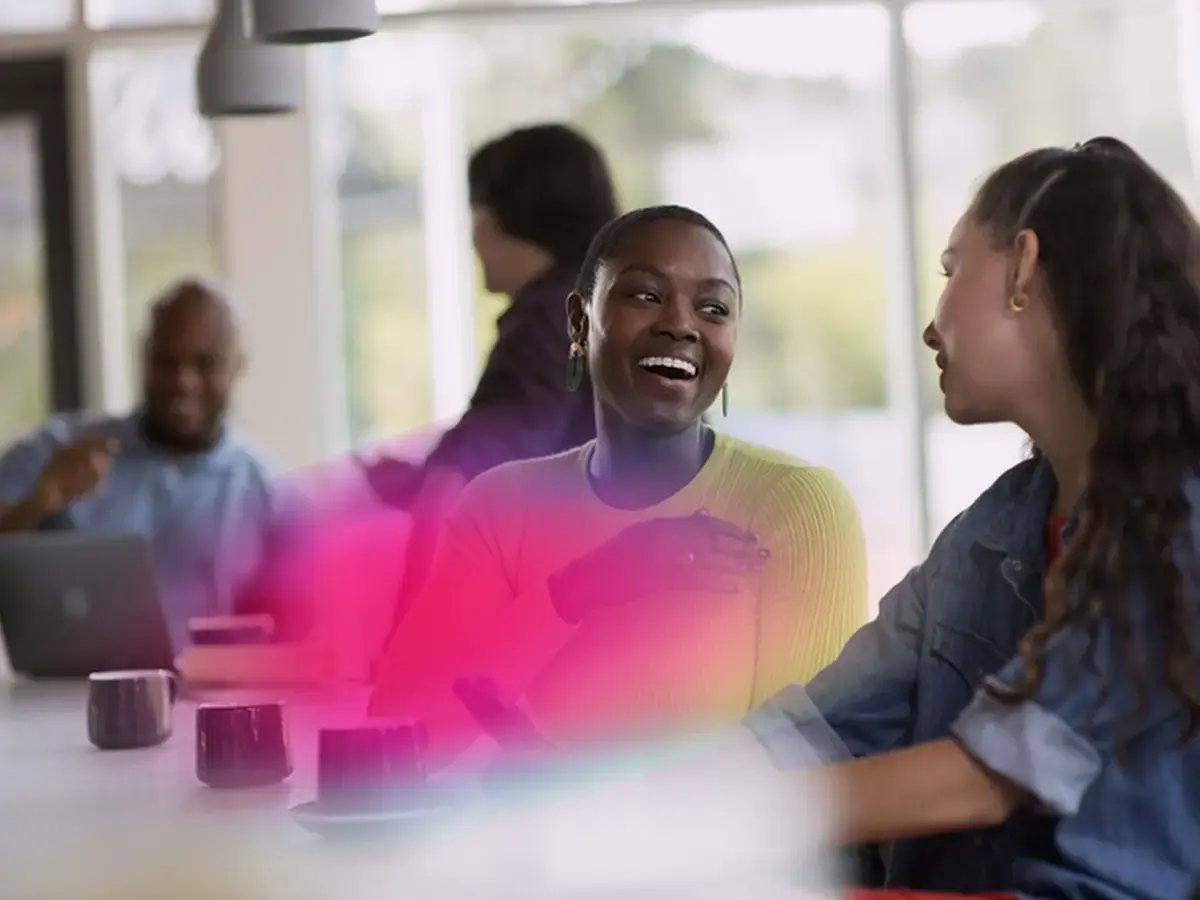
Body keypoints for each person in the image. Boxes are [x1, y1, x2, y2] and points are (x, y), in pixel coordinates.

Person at [737, 138, 1200, 899]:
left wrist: (689, 826)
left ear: (1022, 267)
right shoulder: (991, 529)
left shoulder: (1178, 520)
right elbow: (816, 733)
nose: (931, 326)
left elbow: (994, 772)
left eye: (951, 271)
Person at [370, 205, 868, 763]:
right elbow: (400, 730)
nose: (680, 324)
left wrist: (552, 777)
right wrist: (578, 588)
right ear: (580, 324)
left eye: (713, 308)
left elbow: (805, 771)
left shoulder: (795, 505)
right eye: (646, 295)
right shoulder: (499, 506)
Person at [0, 279, 295, 650]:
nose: (182, 382)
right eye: (166, 362)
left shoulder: (272, 498)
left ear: (238, 367)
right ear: (144, 357)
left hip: (206, 702)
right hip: (56, 699)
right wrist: (37, 504)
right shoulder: (58, 450)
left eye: (204, 364)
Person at [362, 123, 617, 506]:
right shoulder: (614, 306)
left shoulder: (550, 319)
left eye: (478, 209)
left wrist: (434, 483)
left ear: (501, 219)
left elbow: (493, 451)